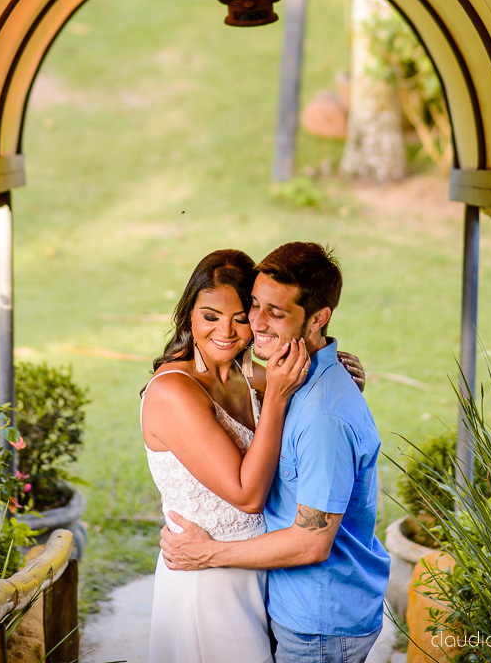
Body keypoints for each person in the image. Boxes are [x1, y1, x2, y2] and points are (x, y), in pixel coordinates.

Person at [161, 241, 390, 663]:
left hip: (313, 615)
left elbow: (311, 542)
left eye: (276, 312)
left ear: (318, 318)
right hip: (240, 586)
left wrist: (211, 554)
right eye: (255, 305)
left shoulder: (314, 406)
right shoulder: (281, 377)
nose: (254, 323)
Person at [140, 248, 309, 663]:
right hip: (205, 583)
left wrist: (335, 365)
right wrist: (277, 401)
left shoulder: (242, 373)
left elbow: (304, 386)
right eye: (210, 316)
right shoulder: (173, 392)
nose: (226, 332)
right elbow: (247, 495)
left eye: (240, 318)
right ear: (189, 315)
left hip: (256, 573)